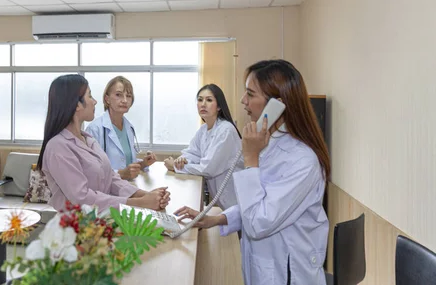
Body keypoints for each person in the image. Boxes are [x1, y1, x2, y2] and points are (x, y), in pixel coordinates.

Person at [174, 60, 330, 285]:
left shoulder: (301, 159)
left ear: (276, 105)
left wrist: (250, 159)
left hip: (288, 274)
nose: (242, 100)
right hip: (265, 266)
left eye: (250, 94)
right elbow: (257, 202)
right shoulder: (270, 143)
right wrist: (216, 219)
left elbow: (259, 222)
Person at [36, 74, 170, 212]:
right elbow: (81, 198)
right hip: (79, 228)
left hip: (104, 218)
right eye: (90, 96)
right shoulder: (58, 147)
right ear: (76, 104)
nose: (95, 102)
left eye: (128, 96)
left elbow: (111, 178)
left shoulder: (88, 140)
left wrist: (148, 195)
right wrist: (139, 203)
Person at [163, 84, 242, 210]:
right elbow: (193, 152)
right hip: (224, 201)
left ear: (219, 106)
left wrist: (175, 167)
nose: (203, 104)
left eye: (209, 100)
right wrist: (181, 160)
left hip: (237, 199)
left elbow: (208, 168)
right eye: (200, 100)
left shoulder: (226, 130)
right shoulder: (204, 129)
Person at [86, 76, 156, 180]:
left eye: (128, 96)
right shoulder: (95, 129)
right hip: (106, 190)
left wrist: (143, 164)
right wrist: (121, 174)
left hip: (128, 186)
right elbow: (91, 169)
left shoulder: (129, 127)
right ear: (107, 99)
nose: (124, 100)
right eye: (118, 95)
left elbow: (125, 162)